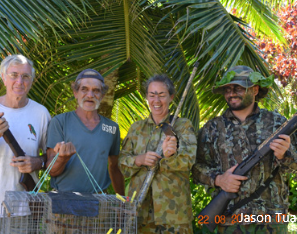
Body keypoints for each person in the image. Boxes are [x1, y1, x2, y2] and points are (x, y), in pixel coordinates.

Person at [192, 65, 297, 233]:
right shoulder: (212, 128)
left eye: (238, 88)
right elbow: (196, 168)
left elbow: (295, 167)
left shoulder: (278, 123)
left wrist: (284, 155)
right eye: (227, 89)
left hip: (271, 219)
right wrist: (219, 180)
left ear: (255, 90)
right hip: (229, 220)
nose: (231, 93)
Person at [0, 55, 51, 233]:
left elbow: (52, 158)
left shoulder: (41, 113)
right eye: (13, 75)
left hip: (23, 213)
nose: (19, 81)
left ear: (32, 80)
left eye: (25, 76)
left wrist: (37, 162)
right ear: (3, 77)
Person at [119, 75, 197, 234]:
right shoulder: (136, 128)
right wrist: (139, 160)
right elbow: (122, 166)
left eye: (162, 95)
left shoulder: (182, 126)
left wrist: (171, 156)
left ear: (171, 97)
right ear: (147, 97)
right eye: (152, 95)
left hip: (174, 216)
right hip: (139, 215)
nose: (157, 100)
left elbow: (189, 160)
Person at [46, 69, 124, 195]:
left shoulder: (111, 128)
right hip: (64, 199)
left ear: (102, 95)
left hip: (99, 202)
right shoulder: (60, 122)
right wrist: (62, 158)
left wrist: (122, 201)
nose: (90, 95)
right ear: (75, 92)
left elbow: (114, 167)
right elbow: (51, 170)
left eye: (96, 90)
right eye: (84, 89)